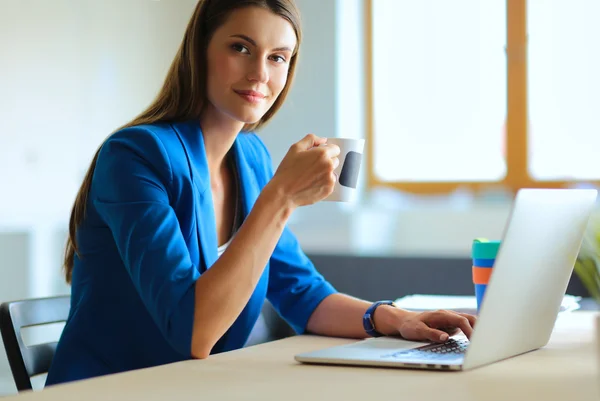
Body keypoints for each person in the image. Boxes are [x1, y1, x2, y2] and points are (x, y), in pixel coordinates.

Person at [46, 0, 476, 386]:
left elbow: (303, 293)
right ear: (200, 51)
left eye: (278, 58)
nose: (260, 74)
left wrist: (394, 319)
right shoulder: (135, 156)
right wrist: (282, 196)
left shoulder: (250, 156)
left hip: (193, 387)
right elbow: (195, 330)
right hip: (111, 391)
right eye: (240, 48)